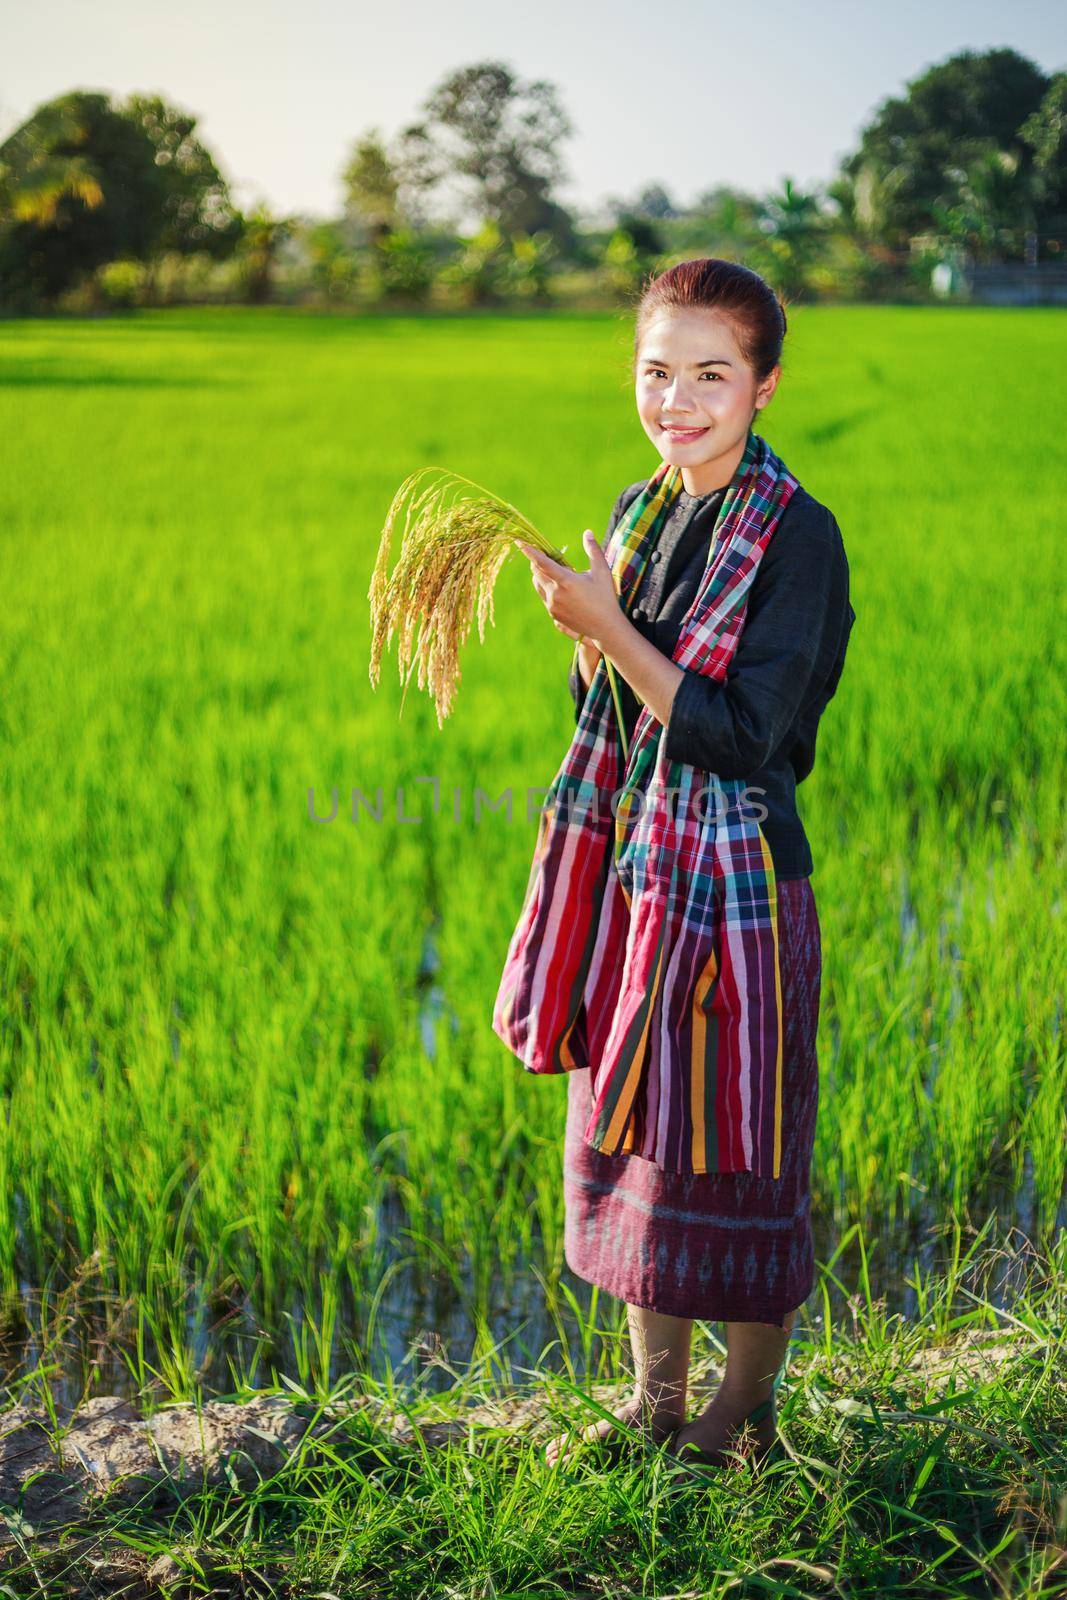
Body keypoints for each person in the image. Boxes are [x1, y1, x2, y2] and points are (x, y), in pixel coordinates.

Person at [514, 258, 856, 1472]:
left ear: (762, 384)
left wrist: (610, 628)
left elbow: (732, 730)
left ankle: (740, 1413)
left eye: (710, 373)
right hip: (637, 888)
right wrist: (593, 620)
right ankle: (657, 1400)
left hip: (741, 897)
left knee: (740, 1148)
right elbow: (609, 703)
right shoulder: (645, 507)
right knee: (632, 1148)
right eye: (657, 372)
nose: (679, 398)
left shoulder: (796, 539)